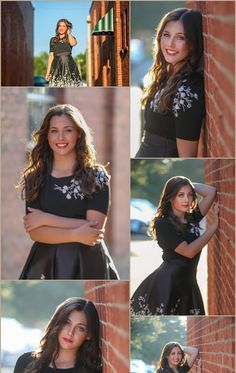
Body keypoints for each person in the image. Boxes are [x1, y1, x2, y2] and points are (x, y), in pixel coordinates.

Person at [18, 103, 119, 280]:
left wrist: (46, 219)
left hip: (87, 261)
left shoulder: (96, 176)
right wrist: (77, 232)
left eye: (68, 130)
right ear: (47, 135)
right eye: (54, 131)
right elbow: (35, 232)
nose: (61, 137)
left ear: (78, 133)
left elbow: (94, 230)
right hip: (45, 262)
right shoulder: (34, 178)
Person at [131, 176, 219, 315]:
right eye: (180, 195)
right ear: (171, 197)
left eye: (190, 195)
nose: (187, 200)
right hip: (169, 282)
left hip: (188, 282)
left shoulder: (192, 217)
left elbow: (211, 192)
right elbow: (189, 251)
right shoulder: (163, 223)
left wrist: (186, 184)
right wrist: (213, 228)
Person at [135, 8, 205, 158]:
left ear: (193, 43)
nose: (171, 44)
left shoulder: (188, 89)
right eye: (166, 35)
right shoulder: (166, 75)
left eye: (180, 37)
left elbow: (186, 156)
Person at [45, 19, 82, 87]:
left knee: (69, 86)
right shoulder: (53, 40)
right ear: (57, 28)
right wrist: (48, 72)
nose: (61, 28)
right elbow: (51, 56)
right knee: (57, 87)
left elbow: (73, 43)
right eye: (59, 26)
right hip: (56, 65)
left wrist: (69, 34)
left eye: (64, 26)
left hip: (68, 64)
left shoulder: (70, 38)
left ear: (67, 28)